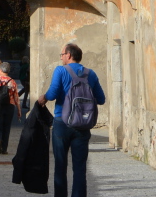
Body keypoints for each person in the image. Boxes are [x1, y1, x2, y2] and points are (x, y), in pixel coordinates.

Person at [38, 42, 105, 197]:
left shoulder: (60, 70)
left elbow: (53, 93)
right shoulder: (91, 74)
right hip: (83, 124)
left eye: (62, 54)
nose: (61, 57)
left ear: (68, 55)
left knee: (60, 166)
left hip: (62, 122)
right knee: (80, 168)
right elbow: (101, 99)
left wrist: (44, 98)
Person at [0, 61, 21, 155]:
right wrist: (19, 111)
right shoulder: (12, 81)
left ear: (0, 69)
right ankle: (4, 148)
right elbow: (16, 97)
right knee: (6, 127)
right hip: (9, 105)